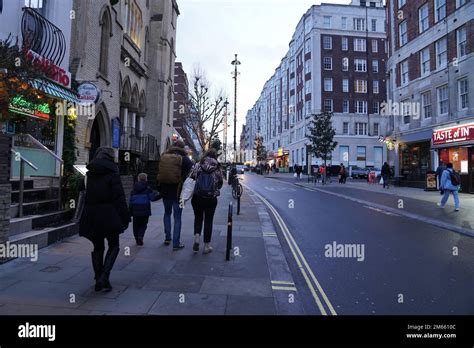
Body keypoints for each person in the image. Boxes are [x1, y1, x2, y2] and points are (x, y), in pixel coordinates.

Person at [79, 147, 130, 292]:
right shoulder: (113, 173)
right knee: (114, 245)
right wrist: (125, 217)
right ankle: (104, 276)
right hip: (109, 215)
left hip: (91, 215)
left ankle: (98, 278)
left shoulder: (88, 174)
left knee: (98, 246)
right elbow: (119, 197)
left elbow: (81, 191)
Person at [158, 139, 193, 250]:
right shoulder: (185, 159)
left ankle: (167, 237)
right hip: (180, 194)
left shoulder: (164, 156)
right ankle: (176, 244)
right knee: (178, 218)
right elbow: (192, 173)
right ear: (183, 148)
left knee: (167, 213)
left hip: (165, 191)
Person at [191, 149, 224, 254]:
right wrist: (215, 189)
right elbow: (220, 182)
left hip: (197, 196)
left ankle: (197, 237)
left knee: (198, 218)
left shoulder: (198, 164)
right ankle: (206, 246)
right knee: (208, 221)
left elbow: (191, 177)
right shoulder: (217, 166)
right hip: (211, 198)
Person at [129, 173, 161, 246]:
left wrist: (130, 211)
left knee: (135, 225)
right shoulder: (148, 189)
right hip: (145, 210)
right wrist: (161, 195)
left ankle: (136, 238)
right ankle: (140, 236)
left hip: (136, 210)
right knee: (143, 224)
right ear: (146, 179)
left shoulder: (134, 189)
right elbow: (152, 198)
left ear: (138, 179)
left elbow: (130, 201)